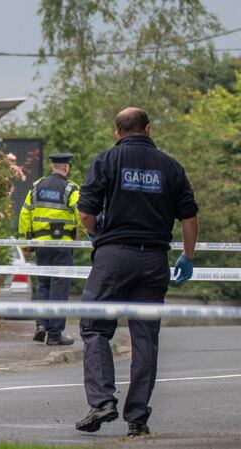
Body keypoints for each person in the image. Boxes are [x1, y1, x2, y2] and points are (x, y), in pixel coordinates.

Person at [75, 107, 199, 437]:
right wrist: (187, 256)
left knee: (94, 326)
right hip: (154, 261)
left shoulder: (106, 161)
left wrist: (95, 230)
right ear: (148, 128)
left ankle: (102, 401)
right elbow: (189, 219)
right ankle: (137, 417)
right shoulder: (171, 167)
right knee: (145, 338)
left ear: (118, 132)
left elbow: (85, 211)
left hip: (114, 257)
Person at [18, 152, 81, 345]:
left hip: (41, 246)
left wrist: (25, 243)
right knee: (59, 288)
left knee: (43, 285)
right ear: (67, 168)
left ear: (53, 166)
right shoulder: (71, 189)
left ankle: (41, 325)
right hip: (62, 246)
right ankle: (54, 335)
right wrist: (83, 232)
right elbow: (81, 211)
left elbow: (24, 215)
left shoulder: (36, 187)